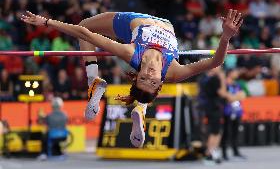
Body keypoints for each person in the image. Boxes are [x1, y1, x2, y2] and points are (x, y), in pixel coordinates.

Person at [21, 9, 243, 147]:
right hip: (165, 24)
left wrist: (47, 22)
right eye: (153, 81)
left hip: (133, 22)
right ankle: (141, 109)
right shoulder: (173, 72)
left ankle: (93, 80)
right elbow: (215, 62)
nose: (148, 75)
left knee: (83, 25)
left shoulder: (130, 53)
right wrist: (225, 37)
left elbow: (85, 34)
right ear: (161, 83)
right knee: (144, 95)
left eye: (143, 79)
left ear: (136, 77)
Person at [198, 67, 245, 164]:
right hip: (213, 108)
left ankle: (212, 152)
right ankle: (209, 154)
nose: (220, 68)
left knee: (217, 131)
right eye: (218, 66)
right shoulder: (213, 79)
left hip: (214, 107)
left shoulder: (207, 78)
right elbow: (222, 92)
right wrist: (223, 79)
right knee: (214, 132)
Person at [221, 68, 247, 161]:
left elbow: (243, 95)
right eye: (235, 72)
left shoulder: (237, 84)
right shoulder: (225, 85)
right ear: (230, 73)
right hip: (227, 111)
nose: (237, 73)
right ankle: (224, 153)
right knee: (226, 132)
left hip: (237, 110)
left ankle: (236, 151)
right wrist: (236, 97)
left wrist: (234, 97)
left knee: (236, 132)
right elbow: (229, 98)